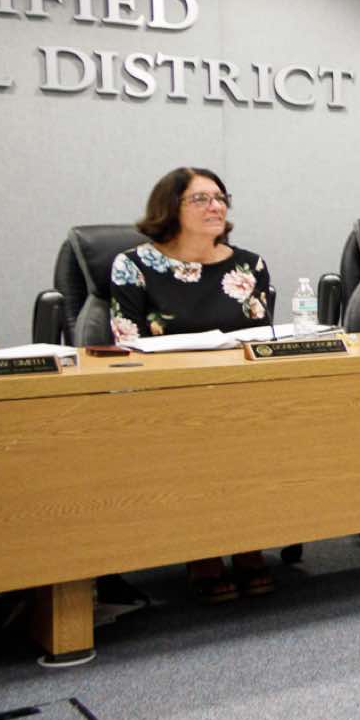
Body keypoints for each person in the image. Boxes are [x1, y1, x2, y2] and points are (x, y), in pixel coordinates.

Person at [109, 167, 279, 603]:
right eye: (200, 199)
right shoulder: (133, 266)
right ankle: (203, 549)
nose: (215, 206)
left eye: (220, 197)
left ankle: (249, 540)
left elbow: (261, 340)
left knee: (264, 429)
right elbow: (127, 345)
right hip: (166, 397)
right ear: (170, 208)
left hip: (239, 395)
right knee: (201, 438)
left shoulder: (250, 265)